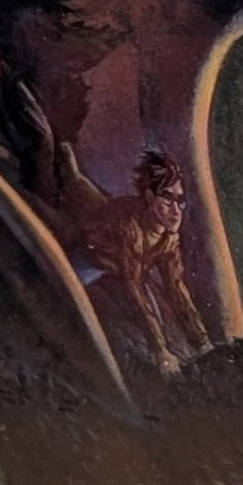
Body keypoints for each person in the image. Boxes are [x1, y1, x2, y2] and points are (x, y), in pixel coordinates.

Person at [64, 147, 212, 376]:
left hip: (123, 268)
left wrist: (202, 341)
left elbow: (176, 287)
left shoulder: (169, 238)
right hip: (92, 260)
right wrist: (159, 350)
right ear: (150, 197)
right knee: (67, 297)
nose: (176, 210)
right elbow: (133, 287)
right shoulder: (131, 230)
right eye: (167, 198)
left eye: (180, 200)